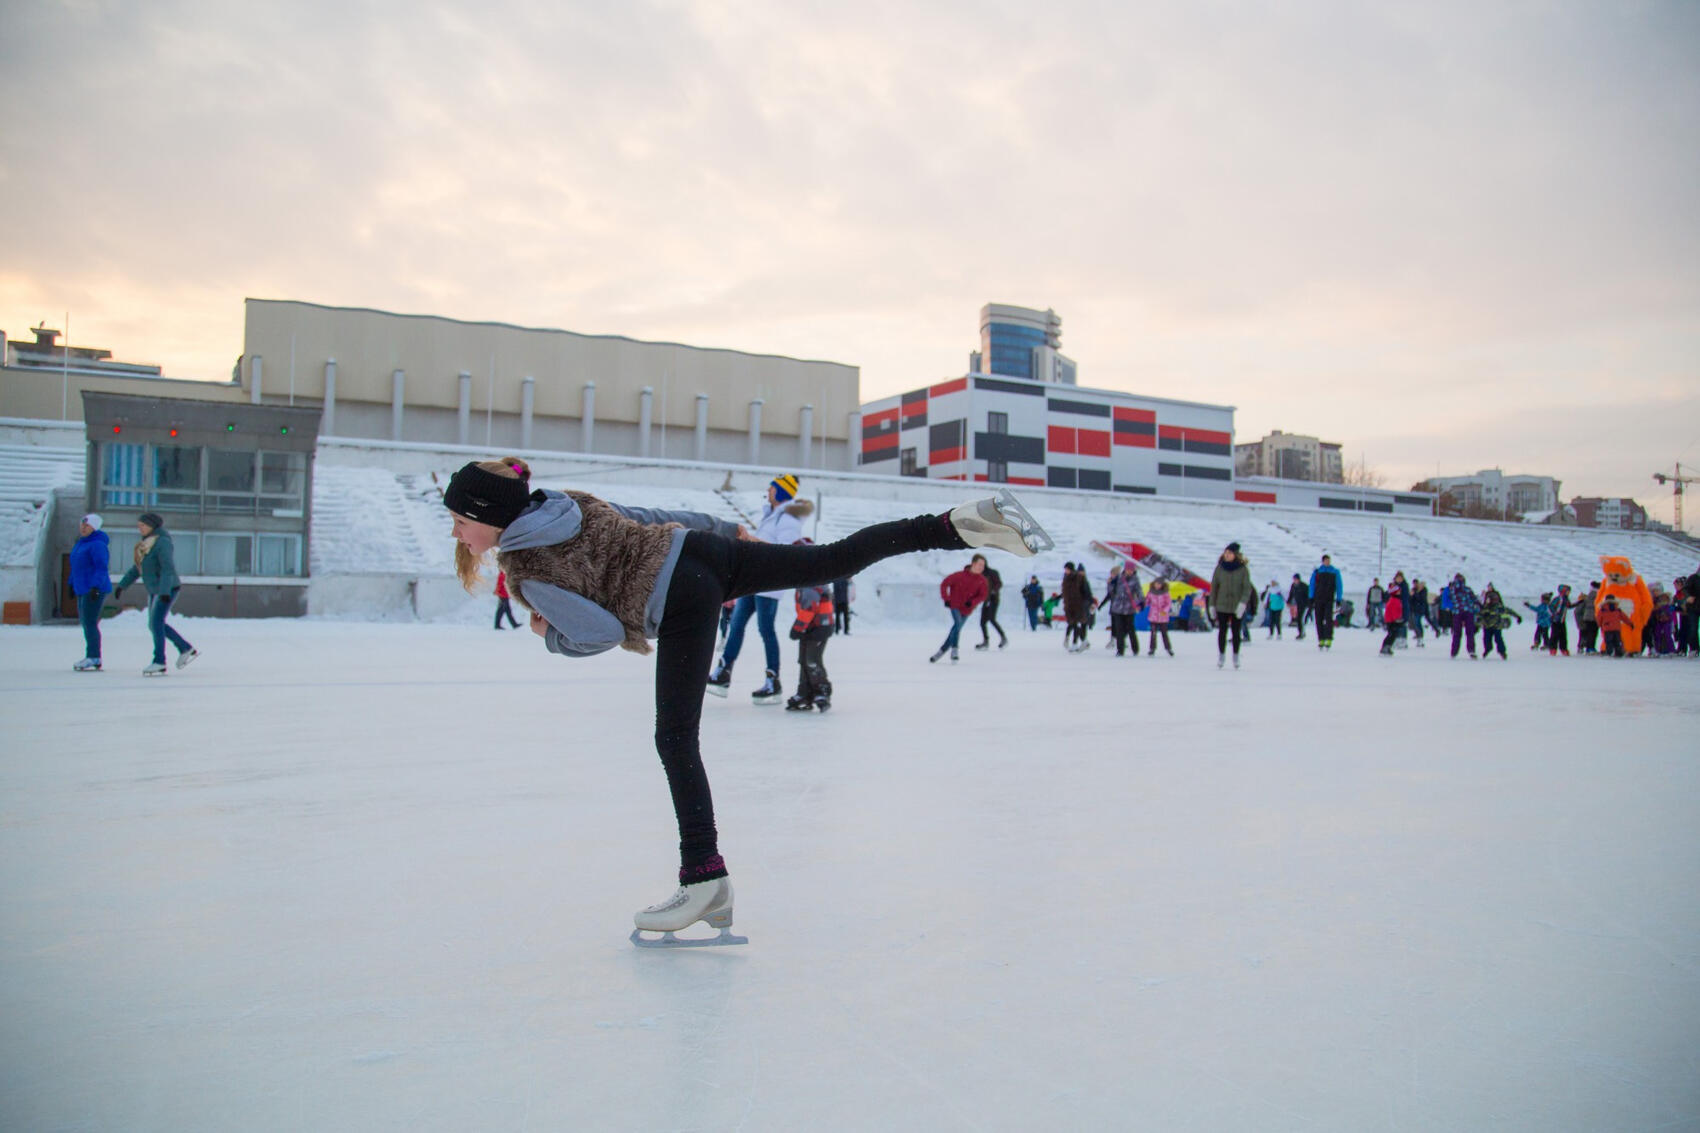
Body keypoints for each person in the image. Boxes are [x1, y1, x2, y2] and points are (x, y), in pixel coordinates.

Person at [443, 457, 1047, 945]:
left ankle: (703, 879)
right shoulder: (562, 501)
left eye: (459, 521)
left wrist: (550, 635)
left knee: (674, 739)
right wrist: (723, 526)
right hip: (705, 551)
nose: (456, 534)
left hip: (677, 595)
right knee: (832, 558)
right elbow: (649, 514)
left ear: (488, 517)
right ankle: (958, 524)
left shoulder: (527, 571)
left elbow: (598, 634)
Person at [706, 474, 812, 704]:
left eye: (772, 487)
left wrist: (754, 542)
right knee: (736, 625)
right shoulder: (772, 516)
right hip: (755, 581)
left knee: (766, 630)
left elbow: (786, 552)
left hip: (770, 585)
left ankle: (773, 680)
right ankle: (723, 671)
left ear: (781, 492)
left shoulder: (787, 520)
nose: (768, 490)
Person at [114, 512, 199, 676]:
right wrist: (122, 586)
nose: (140, 528)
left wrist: (165, 591)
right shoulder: (146, 544)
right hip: (155, 589)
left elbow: (168, 568)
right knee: (155, 624)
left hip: (166, 589)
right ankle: (185, 648)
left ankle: (159, 661)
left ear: (152, 526)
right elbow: (138, 568)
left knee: (156, 623)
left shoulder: (162, 542)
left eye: (143, 525)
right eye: (138, 525)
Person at [786, 558, 835, 711]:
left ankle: (822, 691)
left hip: (819, 628)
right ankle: (805, 692)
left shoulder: (810, 582)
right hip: (811, 627)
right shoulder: (809, 580)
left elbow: (809, 608)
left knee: (811, 660)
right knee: (803, 660)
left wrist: (797, 628)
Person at [69, 513, 111, 671]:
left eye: (87, 525)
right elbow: (76, 566)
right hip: (82, 588)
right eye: (82, 525)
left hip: (94, 589)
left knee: (90, 622)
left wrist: (95, 586)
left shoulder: (98, 544)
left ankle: (94, 656)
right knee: (86, 622)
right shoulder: (81, 543)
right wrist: (71, 584)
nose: (83, 528)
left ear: (95, 527)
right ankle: (92, 656)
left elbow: (101, 567)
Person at [933, 555, 990, 663]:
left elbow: (983, 595)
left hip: (967, 609)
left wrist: (972, 602)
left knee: (956, 628)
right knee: (958, 624)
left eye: (983, 566)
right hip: (955, 606)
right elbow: (945, 584)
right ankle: (954, 649)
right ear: (973, 564)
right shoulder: (959, 576)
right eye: (980, 565)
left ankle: (940, 652)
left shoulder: (982, 580)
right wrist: (946, 599)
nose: (981, 567)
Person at [1210, 542, 1255, 669]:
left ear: (1235, 554)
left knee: (1236, 632)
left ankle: (1235, 655)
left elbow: (1247, 588)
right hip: (1221, 604)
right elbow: (1214, 587)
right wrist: (1212, 605)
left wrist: (1242, 603)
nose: (1227, 555)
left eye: (1229, 553)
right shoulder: (1219, 568)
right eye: (1226, 553)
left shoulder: (1243, 569)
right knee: (1222, 631)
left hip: (1236, 606)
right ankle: (1221, 655)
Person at [1101, 562, 1143, 656]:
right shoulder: (1118, 578)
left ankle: (1135, 649)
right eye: (1128, 569)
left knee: (1131, 629)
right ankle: (1120, 650)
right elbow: (1111, 591)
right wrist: (1109, 583)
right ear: (1125, 569)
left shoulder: (1135, 579)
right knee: (1119, 629)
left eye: (1131, 570)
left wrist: (1141, 602)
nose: (1130, 571)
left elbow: (1139, 591)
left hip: (1129, 608)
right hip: (1118, 608)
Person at [1309, 554, 1343, 650]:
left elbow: (1339, 585)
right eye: (1326, 560)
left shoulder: (1335, 572)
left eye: (1329, 560)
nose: (1328, 562)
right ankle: (1321, 639)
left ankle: (1328, 638)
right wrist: (1311, 597)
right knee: (1318, 619)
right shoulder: (1317, 572)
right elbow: (1312, 585)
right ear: (1323, 561)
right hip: (1318, 598)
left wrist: (1339, 598)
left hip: (1329, 599)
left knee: (1328, 619)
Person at [1479, 587, 1522, 659]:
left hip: (1496, 626)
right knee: (1486, 639)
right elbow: (1479, 614)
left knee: (1498, 639)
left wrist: (1517, 616)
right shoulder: (1485, 607)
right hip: (1487, 626)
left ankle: (1502, 652)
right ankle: (1488, 649)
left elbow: (1509, 611)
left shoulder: (1499, 607)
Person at [1445, 573, 1481, 659]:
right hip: (1468, 611)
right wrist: (1478, 606)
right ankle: (1471, 650)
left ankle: (1454, 652)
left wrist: (1450, 608)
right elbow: (1474, 599)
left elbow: (1446, 600)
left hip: (1457, 613)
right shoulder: (1467, 589)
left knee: (1457, 633)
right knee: (1470, 632)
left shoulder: (1451, 590)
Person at [975, 561, 1009, 650]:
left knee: (992, 619)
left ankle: (1003, 637)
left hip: (993, 599)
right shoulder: (979, 575)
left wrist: (993, 591)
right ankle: (986, 641)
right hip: (986, 600)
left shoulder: (992, 573)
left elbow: (999, 583)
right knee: (982, 622)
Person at [1061, 562, 1094, 653]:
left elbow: (1086, 592)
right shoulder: (1066, 579)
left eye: (1067, 569)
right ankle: (1083, 641)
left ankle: (1076, 643)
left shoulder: (1079, 578)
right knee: (1073, 624)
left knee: (1077, 624)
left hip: (1078, 605)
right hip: (1069, 605)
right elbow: (1065, 592)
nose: (1066, 571)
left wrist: (1090, 603)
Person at [1145, 578, 1175, 656]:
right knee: (1153, 633)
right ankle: (1152, 648)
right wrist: (1143, 603)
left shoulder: (1165, 593)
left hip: (1162, 617)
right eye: (1156, 584)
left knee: (1164, 633)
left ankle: (1168, 648)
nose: (1157, 585)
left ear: (1162, 585)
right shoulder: (1150, 592)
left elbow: (1168, 603)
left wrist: (1165, 611)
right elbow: (1147, 601)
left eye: (1159, 584)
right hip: (1153, 616)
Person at [1546, 585, 1578, 656]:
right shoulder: (1558, 599)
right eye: (1568, 591)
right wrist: (1555, 614)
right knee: (1555, 635)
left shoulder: (1566, 599)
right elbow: (1550, 607)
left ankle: (1563, 648)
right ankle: (1553, 648)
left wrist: (1578, 602)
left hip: (1562, 620)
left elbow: (1569, 606)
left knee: (1563, 635)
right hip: (1555, 620)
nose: (1569, 593)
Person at [1377, 585, 1405, 656]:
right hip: (1391, 621)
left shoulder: (1397, 600)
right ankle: (1385, 647)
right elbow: (1393, 611)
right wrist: (1397, 619)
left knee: (1393, 634)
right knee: (1391, 634)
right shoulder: (1394, 600)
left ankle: (1388, 647)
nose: (1400, 592)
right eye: (1398, 591)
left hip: (1393, 620)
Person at [1576, 580, 1601, 654]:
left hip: (1587, 616)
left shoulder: (1590, 595)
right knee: (1592, 633)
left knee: (1589, 632)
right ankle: (1590, 648)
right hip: (1593, 617)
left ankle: (1589, 647)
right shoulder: (1596, 595)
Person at [1407, 579, 1430, 647]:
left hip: (1420, 609)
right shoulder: (1413, 590)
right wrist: (1411, 596)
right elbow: (1410, 600)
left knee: (1417, 622)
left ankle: (1420, 635)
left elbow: (1422, 599)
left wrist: (1415, 594)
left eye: (1416, 583)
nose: (1415, 585)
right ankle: (1418, 634)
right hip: (1413, 609)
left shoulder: (1423, 590)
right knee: (1413, 623)